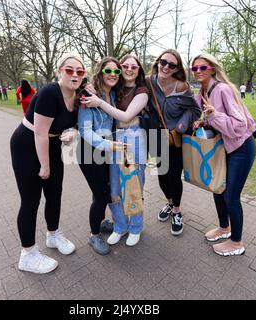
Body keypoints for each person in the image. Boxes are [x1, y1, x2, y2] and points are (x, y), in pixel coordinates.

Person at [10, 54, 83, 274]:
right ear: (60, 71)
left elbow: (73, 124)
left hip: (52, 145)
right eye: (69, 70)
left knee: (55, 193)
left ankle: (53, 235)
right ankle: (28, 254)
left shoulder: (79, 95)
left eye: (79, 71)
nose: (75, 75)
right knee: (31, 201)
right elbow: (40, 132)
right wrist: (45, 165)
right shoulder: (50, 93)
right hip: (27, 144)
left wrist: (72, 131)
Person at [191, 53, 256, 256]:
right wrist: (204, 121)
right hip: (225, 148)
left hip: (242, 148)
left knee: (231, 196)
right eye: (195, 69)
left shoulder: (222, 89)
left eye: (203, 68)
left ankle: (236, 242)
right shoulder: (203, 92)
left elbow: (239, 126)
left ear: (212, 69)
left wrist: (213, 115)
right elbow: (215, 120)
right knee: (218, 188)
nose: (198, 72)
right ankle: (224, 227)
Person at [83, 54, 149, 247]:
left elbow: (127, 116)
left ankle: (136, 227)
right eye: (125, 66)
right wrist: (90, 87)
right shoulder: (115, 89)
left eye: (134, 67)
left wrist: (99, 102)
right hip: (113, 139)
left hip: (134, 138)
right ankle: (120, 226)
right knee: (114, 188)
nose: (129, 69)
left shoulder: (142, 91)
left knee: (134, 184)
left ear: (139, 70)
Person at [149, 49, 202, 236]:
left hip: (175, 137)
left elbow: (195, 110)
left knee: (173, 175)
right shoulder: (149, 82)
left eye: (172, 65)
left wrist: (182, 123)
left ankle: (177, 211)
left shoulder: (181, 86)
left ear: (176, 68)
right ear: (158, 62)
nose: (166, 67)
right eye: (163, 62)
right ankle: (169, 203)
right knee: (161, 176)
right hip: (156, 136)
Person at [78, 56, 126, 255]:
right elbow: (84, 130)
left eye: (117, 71)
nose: (113, 75)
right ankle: (93, 234)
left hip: (108, 151)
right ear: (100, 72)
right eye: (108, 71)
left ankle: (100, 221)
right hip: (90, 152)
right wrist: (108, 144)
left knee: (104, 189)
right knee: (101, 195)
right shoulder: (87, 94)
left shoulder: (112, 94)